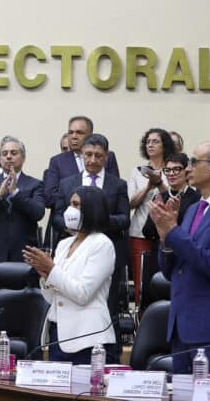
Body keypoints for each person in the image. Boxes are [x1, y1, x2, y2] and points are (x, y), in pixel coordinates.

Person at [150, 141, 210, 373]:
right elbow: (170, 270)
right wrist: (166, 238)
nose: (187, 168)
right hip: (181, 327)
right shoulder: (194, 208)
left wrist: (173, 231)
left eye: (194, 162)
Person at [24, 186, 118, 363]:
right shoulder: (64, 244)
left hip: (88, 337)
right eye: (70, 204)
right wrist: (45, 275)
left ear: (91, 209)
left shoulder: (102, 244)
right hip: (58, 334)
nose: (70, 210)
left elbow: (82, 293)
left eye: (76, 204)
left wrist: (52, 270)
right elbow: (53, 297)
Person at [52, 133, 129, 343]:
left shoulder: (118, 185)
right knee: (70, 297)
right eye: (88, 155)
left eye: (98, 156)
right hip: (74, 252)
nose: (93, 160)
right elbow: (56, 217)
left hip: (105, 254)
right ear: (81, 155)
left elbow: (124, 220)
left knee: (107, 304)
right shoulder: (67, 183)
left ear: (106, 157)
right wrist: (73, 226)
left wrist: (95, 222)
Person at [0, 136, 45, 301]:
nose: (8, 157)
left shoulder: (35, 184)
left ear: (23, 158)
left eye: (13, 153)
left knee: (24, 313)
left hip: (24, 260)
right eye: (4, 153)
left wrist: (16, 194)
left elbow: (38, 212)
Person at [43, 115, 121, 249]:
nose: (73, 136)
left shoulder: (108, 157)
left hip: (103, 232)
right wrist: (77, 208)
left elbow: (113, 192)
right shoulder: (57, 161)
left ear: (90, 135)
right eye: (70, 132)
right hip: (70, 232)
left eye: (79, 133)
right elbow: (50, 197)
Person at [126, 128, 173, 308]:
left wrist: (160, 184)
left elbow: (174, 197)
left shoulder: (172, 169)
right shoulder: (137, 172)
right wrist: (148, 186)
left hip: (166, 234)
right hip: (140, 232)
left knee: (165, 280)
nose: (151, 145)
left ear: (165, 145)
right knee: (141, 283)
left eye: (156, 141)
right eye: (148, 142)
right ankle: (141, 323)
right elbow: (130, 203)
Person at [142, 153, 200, 238]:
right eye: (168, 170)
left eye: (176, 169)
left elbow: (193, 230)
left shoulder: (197, 198)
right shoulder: (160, 197)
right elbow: (147, 232)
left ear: (186, 171)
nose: (171, 173)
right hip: (161, 248)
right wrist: (158, 219)